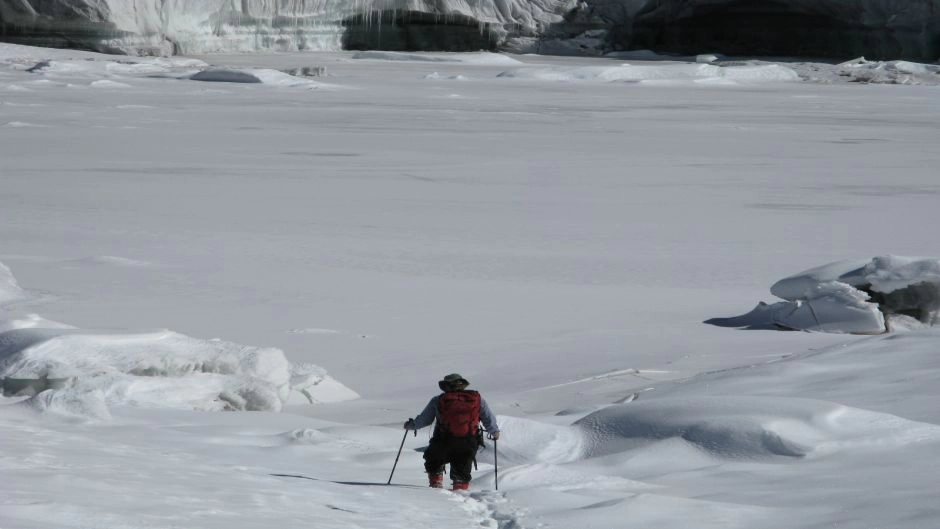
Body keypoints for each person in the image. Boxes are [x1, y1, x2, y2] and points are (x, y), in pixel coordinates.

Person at [404, 373, 500, 491]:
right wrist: (494, 432)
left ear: (446, 386)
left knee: (433, 458)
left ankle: (436, 486)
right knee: (462, 469)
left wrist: (411, 425)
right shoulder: (477, 399)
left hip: (443, 440)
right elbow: (488, 418)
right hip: (468, 441)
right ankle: (460, 490)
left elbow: (425, 420)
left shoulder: (438, 400)